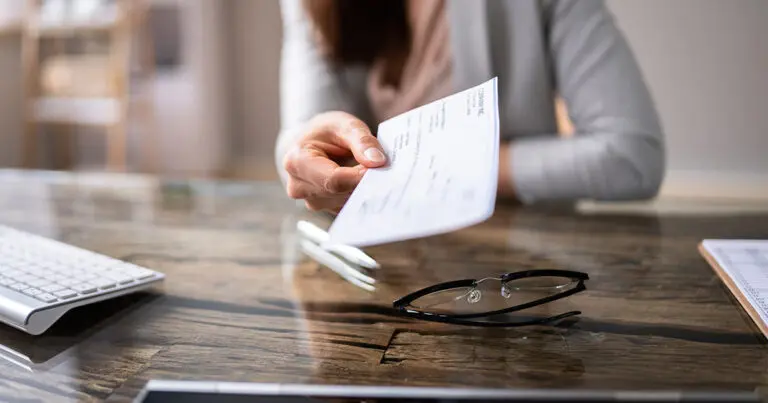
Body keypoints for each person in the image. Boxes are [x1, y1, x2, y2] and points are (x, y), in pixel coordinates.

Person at [275, 0, 665, 213]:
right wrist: (304, 154)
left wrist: (430, 168)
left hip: (516, 259)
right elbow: (298, 136)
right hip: (373, 268)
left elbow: (632, 155)